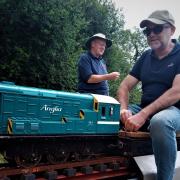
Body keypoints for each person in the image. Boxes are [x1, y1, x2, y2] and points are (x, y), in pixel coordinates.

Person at [117, 10, 180, 180]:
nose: (151, 34)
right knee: (109, 113)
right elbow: (124, 86)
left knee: (161, 122)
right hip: (145, 109)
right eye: (147, 31)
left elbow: (177, 91)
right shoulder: (145, 56)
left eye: (157, 29)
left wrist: (143, 114)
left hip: (175, 111)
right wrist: (123, 110)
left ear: (172, 30)